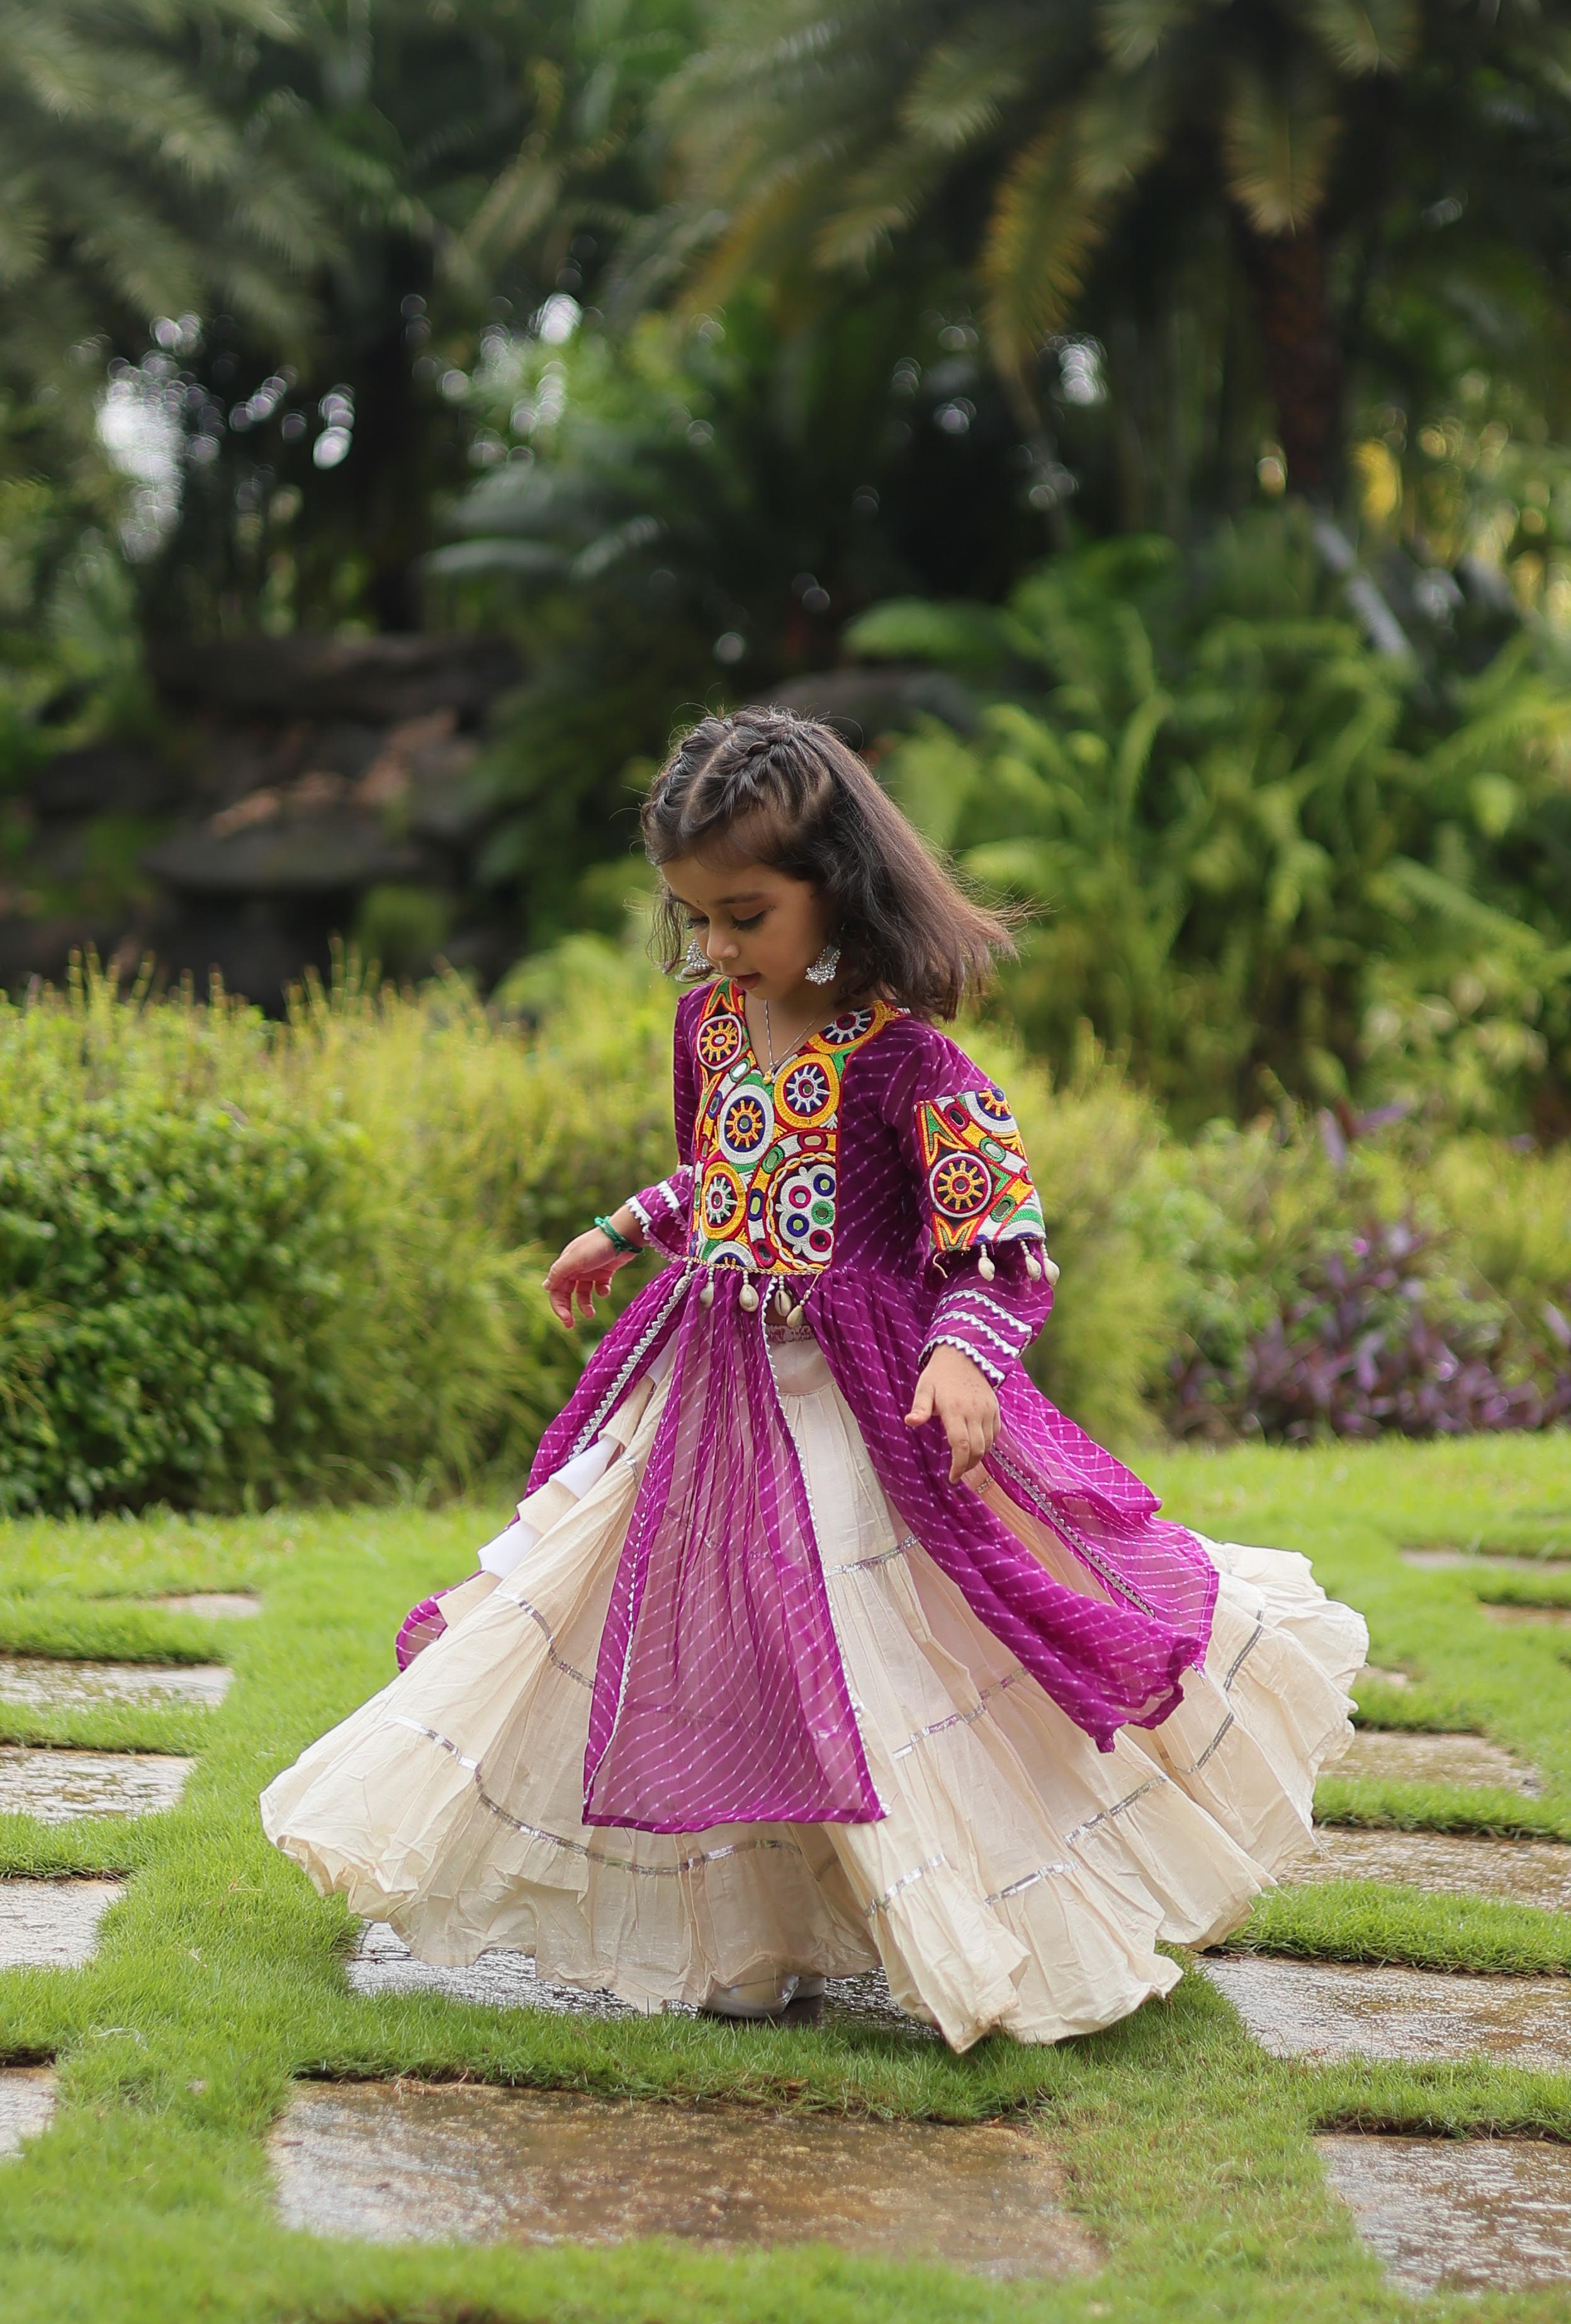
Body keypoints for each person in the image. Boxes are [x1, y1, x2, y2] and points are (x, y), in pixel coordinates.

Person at [261, 708, 1366, 2050]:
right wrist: (625, 1230)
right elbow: (726, 1175)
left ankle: (984, 1911)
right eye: (697, 922)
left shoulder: (916, 1065)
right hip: (708, 1383)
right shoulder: (713, 1029)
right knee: (703, 1640)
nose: (719, 949)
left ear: (835, 884)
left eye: (744, 916)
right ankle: (745, 1929)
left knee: (871, 1652)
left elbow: (1002, 1250)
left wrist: (965, 1358)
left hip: (856, 1400)